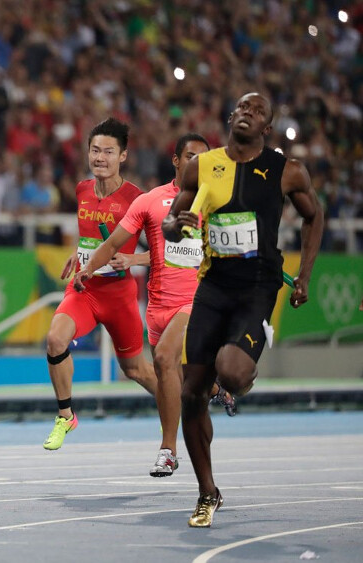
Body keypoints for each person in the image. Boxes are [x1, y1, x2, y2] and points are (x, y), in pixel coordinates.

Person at [163, 92, 323, 527]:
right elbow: (171, 223)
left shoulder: (287, 171)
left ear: (267, 128)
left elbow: (314, 216)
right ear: (231, 115)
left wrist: (305, 275)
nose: (248, 114)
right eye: (243, 108)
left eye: (258, 112)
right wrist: (176, 225)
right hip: (213, 286)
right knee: (191, 394)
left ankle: (239, 372)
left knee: (230, 371)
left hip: (257, 287)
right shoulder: (201, 166)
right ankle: (207, 492)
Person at [74, 133, 236, 478]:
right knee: (177, 381)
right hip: (158, 307)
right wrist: (88, 269)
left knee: (163, 358)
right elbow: (113, 242)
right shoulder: (149, 201)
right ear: (176, 161)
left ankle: (168, 450)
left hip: (195, 302)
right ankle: (213, 394)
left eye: (203, 158)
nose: (198, 163)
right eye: (190, 156)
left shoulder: (217, 203)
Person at [42, 117, 158, 451]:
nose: (100, 157)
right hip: (85, 290)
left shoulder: (138, 198)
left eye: (108, 151)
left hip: (119, 296)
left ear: (123, 156)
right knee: (55, 339)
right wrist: (78, 254)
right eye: (95, 150)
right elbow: (90, 237)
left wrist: (132, 260)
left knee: (135, 370)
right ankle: (65, 416)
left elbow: (166, 251)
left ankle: (181, 403)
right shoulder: (82, 189)